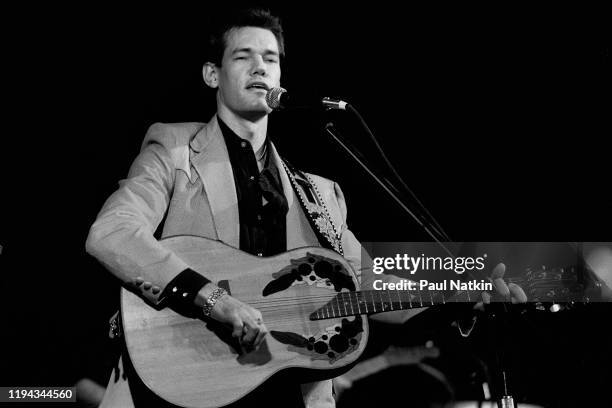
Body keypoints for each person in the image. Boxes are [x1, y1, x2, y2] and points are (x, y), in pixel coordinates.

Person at [86, 8, 525, 408]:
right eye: (243, 57)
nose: (261, 66)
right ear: (211, 74)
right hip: (180, 382)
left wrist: (460, 295)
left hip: (288, 395)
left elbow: (366, 284)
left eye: (271, 58)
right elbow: (113, 232)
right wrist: (215, 300)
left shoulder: (318, 193)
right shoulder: (174, 150)